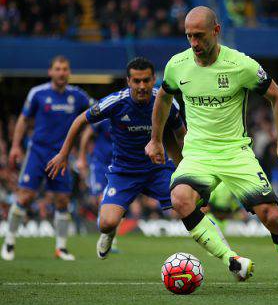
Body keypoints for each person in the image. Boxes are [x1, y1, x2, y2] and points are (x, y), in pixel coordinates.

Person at [146, 6, 278, 293]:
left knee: (271, 215)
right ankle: (232, 260)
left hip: (235, 151)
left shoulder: (241, 65)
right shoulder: (178, 64)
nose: (194, 44)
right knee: (180, 198)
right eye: (189, 36)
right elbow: (163, 97)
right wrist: (155, 139)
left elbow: (277, 96)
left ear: (216, 31)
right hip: (198, 152)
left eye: (200, 36)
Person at [46, 57, 186, 260]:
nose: (141, 86)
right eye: (136, 81)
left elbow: (181, 135)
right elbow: (80, 121)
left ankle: (228, 257)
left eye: (146, 80)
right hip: (124, 172)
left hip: (157, 169)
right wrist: (64, 153)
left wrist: (187, 168)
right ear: (128, 81)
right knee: (106, 223)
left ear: (154, 79)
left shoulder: (165, 101)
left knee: (189, 207)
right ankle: (110, 234)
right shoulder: (115, 103)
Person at [1, 55, 93, 261]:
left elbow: (95, 115)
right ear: (50, 72)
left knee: (62, 200)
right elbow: (24, 120)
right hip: (38, 152)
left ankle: (61, 248)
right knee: (25, 197)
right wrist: (15, 146)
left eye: (65, 69)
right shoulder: (38, 93)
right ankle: (9, 242)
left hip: (61, 156)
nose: (61, 72)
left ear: (69, 72)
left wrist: (81, 150)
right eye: (57, 69)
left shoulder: (78, 96)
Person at [77, 120, 119, 252]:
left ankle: (108, 239)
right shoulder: (104, 116)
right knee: (101, 198)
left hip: (118, 164)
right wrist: (82, 157)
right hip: (100, 165)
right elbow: (86, 134)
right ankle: (107, 237)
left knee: (115, 201)